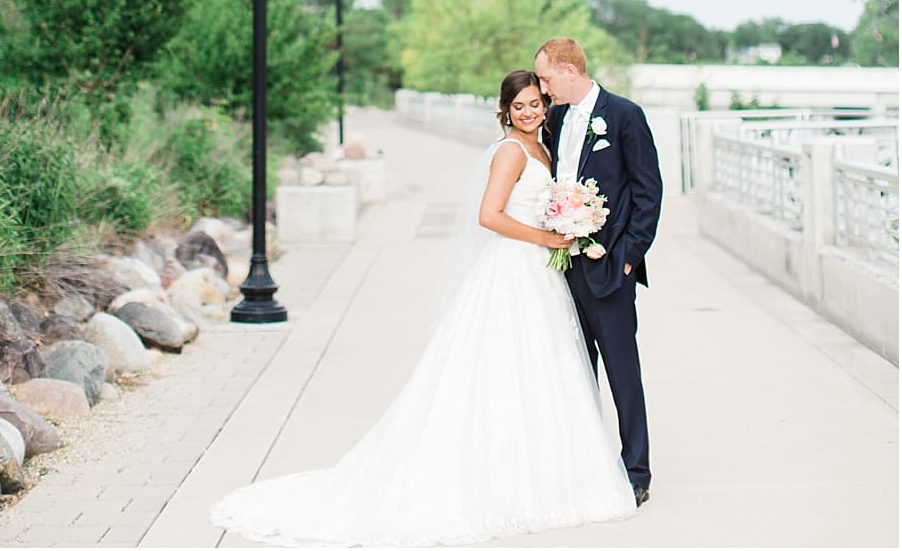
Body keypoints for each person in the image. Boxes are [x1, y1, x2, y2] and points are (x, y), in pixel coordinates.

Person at [210, 69, 638, 546]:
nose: (530, 112)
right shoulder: (510, 151)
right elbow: (489, 215)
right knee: (504, 367)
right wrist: (545, 235)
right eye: (519, 107)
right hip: (514, 269)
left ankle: (554, 470)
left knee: (544, 366)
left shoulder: (544, 146)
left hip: (542, 273)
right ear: (506, 111)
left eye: (536, 103)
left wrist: (570, 216)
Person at [536, 34, 661, 505]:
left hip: (610, 268)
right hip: (559, 268)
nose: (544, 88)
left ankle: (636, 471)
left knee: (621, 372)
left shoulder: (624, 116)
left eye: (547, 78)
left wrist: (628, 256)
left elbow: (649, 192)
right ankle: (585, 463)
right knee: (573, 370)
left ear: (570, 71)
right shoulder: (556, 117)